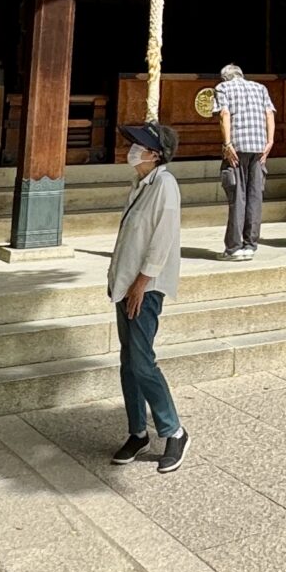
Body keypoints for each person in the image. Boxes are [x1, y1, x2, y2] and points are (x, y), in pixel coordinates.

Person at [107, 121, 188, 473]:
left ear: (154, 154)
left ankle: (174, 430)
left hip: (146, 287)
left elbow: (163, 237)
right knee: (129, 362)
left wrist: (142, 281)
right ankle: (138, 430)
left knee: (143, 361)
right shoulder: (140, 185)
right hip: (126, 283)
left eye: (139, 146)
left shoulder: (165, 185)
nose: (132, 151)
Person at [214, 60, 273, 258]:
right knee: (255, 196)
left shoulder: (223, 88)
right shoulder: (260, 87)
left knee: (237, 197)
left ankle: (233, 247)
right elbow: (269, 114)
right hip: (258, 147)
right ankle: (251, 244)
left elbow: (224, 114)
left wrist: (227, 143)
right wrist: (270, 142)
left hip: (237, 148)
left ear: (225, 77)